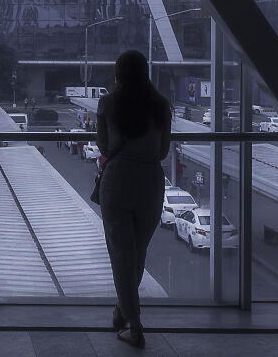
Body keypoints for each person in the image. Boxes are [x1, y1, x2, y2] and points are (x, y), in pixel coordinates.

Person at [95, 50, 171, 349]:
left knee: (121, 254)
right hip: (151, 180)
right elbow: (163, 151)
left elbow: (103, 145)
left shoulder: (108, 103)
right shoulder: (161, 106)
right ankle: (122, 310)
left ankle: (135, 325)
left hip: (117, 179)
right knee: (138, 254)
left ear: (119, 72)